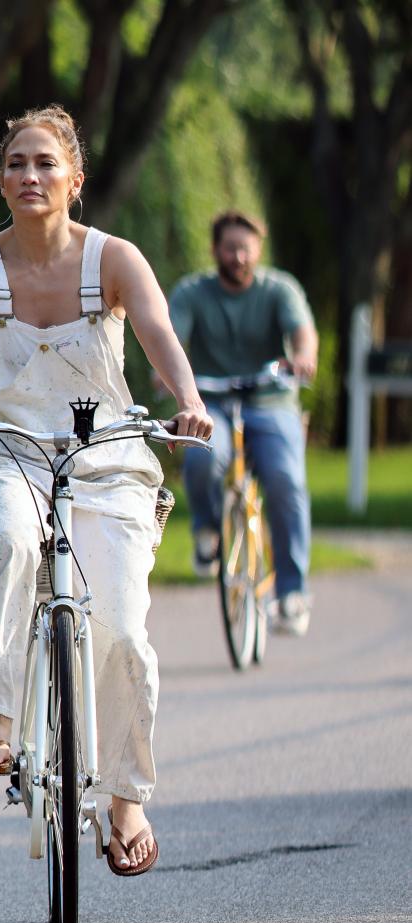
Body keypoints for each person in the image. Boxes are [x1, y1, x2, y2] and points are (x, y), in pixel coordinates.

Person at [0, 105, 212, 876]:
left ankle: (125, 797)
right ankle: (0, 716)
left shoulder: (114, 259)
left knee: (122, 623)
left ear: (75, 181)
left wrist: (189, 399)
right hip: (5, 451)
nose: (30, 176)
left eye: (46, 164)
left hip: (106, 459)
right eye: (16, 163)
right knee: (12, 544)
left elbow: (158, 335)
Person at [167, 210, 318, 636]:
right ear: (215, 250)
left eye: (246, 248)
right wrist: (167, 373)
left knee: (286, 480)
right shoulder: (193, 292)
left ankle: (291, 593)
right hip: (212, 399)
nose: (238, 256)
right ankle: (208, 532)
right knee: (201, 458)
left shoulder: (279, 289)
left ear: (258, 251)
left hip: (271, 401)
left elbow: (302, 331)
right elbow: (170, 335)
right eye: (230, 248)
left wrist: (303, 357)